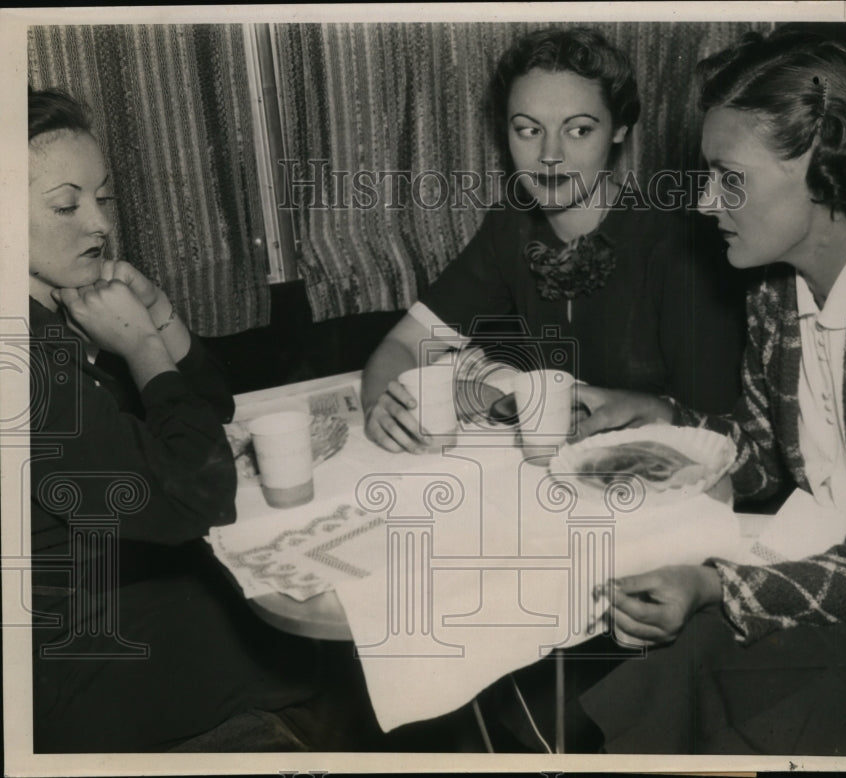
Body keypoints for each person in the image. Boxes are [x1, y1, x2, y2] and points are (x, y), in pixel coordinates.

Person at [571, 30, 846, 755]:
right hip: (841, 560)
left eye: (729, 176)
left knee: (700, 672)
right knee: (664, 664)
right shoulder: (775, 288)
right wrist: (662, 418)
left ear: (823, 169)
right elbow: (760, 455)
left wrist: (718, 587)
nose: (702, 201)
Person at [27, 87, 345, 753]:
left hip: (105, 589)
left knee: (296, 584)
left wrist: (160, 314)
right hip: (57, 665)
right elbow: (193, 495)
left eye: (103, 197)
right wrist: (141, 348)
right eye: (66, 204)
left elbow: (210, 412)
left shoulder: (48, 308)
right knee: (306, 626)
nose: (99, 223)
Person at [362, 26, 747, 452]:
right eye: (528, 130)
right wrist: (385, 409)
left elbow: (717, 433)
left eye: (578, 130)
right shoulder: (510, 228)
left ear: (619, 129)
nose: (549, 155)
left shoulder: (681, 247)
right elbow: (402, 345)